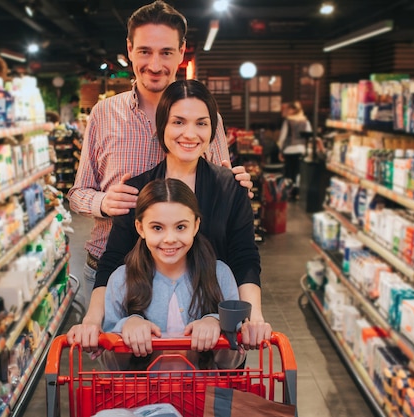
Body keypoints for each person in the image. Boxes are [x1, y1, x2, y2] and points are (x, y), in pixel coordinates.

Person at [68, 1, 250, 308]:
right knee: (118, 352)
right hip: (112, 271)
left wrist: (238, 185)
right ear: (129, 49)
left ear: (181, 52)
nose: (155, 64)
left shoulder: (205, 115)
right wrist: (103, 202)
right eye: (144, 51)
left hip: (191, 276)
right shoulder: (104, 113)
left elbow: (220, 186)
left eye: (166, 52)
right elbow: (77, 193)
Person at [67, 79, 271, 352]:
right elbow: (113, 260)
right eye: (178, 122)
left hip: (215, 335)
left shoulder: (230, 188)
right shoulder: (138, 190)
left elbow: (244, 257)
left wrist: (252, 317)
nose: (190, 133)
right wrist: (93, 319)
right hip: (146, 337)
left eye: (201, 123)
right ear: (161, 126)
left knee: (213, 395)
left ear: (212, 130)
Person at [101, 178, 245, 370]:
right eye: (157, 228)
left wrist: (218, 325)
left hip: (205, 396)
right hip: (141, 397)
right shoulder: (121, 280)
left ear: (195, 226)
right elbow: (110, 365)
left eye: (180, 227)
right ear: (140, 228)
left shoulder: (220, 275)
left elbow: (232, 363)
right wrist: (126, 328)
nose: (170, 239)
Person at [277, 101, 311, 199]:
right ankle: (297, 192)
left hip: (289, 149)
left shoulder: (288, 121)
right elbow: (308, 134)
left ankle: (288, 192)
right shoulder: (305, 121)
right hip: (301, 149)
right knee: (298, 172)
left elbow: (282, 137)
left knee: (289, 172)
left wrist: (280, 150)